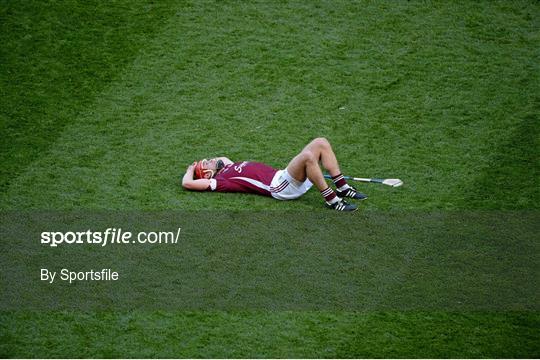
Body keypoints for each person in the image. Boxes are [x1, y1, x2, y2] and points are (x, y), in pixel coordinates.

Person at [182, 137, 367, 211]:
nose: (211, 159)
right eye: (207, 162)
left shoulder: (228, 166)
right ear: (207, 174)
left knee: (321, 142)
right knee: (308, 156)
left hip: (284, 176)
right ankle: (332, 201)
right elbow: (188, 184)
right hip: (279, 187)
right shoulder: (220, 181)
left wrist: (210, 164)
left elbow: (222, 157)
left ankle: (342, 188)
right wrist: (192, 170)